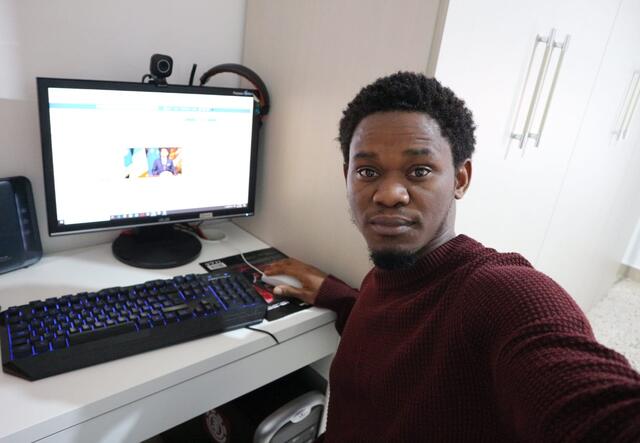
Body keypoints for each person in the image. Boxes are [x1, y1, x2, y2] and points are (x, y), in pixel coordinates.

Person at [264, 72, 640, 442]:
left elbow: (595, 410)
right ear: (347, 177)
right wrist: (334, 294)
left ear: (460, 179)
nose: (389, 194)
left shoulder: (504, 294)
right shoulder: (387, 276)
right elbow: (400, 339)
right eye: (368, 171)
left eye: (420, 171)